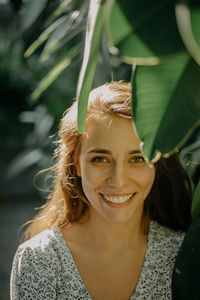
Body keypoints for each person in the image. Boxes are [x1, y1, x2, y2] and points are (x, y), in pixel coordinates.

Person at [10, 81, 192, 300]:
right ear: (76, 163)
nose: (118, 181)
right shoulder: (40, 259)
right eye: (100, 159)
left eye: (136, 159)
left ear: (156, 162)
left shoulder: (183, 255)